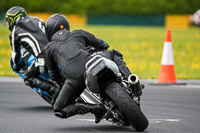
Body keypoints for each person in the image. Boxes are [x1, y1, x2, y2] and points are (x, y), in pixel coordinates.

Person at [44, 14, 142, 123]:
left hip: (75, 78)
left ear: (49, 32)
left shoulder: (48, 49)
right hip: (91, 62)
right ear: (66, 25)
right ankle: (129, 78)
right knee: (114, 53)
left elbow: (54, 75)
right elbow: (102, 44)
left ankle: (95, 109)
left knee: (59, 109)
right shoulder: (77, 33)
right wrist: (101, 47)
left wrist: (64, 84)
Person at [5, 6, 62, 103]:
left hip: (43, 58)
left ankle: (54, 90)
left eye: (9, 21)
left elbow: (16, 53)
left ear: (15, 19)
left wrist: (17, 66)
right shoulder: (37, 19)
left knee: (28, 77)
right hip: (57, 48)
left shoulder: (15, 32)